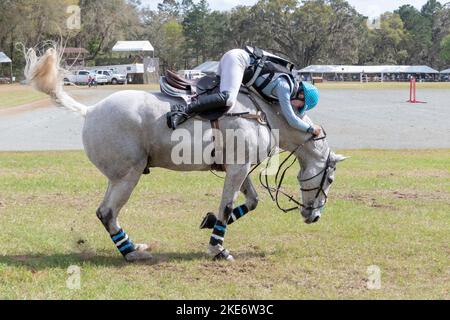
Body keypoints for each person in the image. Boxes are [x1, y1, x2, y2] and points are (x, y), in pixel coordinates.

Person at [168, 47, 322, 137]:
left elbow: (293, 115)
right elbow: (291, 118)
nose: (297, 107)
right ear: (301, 95)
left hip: (237, 61)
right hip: (238, 60)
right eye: (300, 105)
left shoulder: (287, 87)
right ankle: (182, 110)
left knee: (221, 98)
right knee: (228, 98)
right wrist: (310, 128)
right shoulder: (285, 86)